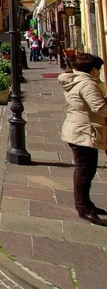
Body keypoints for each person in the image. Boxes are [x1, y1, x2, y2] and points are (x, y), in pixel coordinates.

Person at [59, 52, 107, 226]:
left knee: (85, 170)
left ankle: (85, 203)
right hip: (83, 131)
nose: (99, 72)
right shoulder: (86, 84)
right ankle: (83, 207)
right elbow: (100, 108)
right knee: (85, 171)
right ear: (93, 70)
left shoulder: (76, 80)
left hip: (80, 129)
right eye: (98, 69)